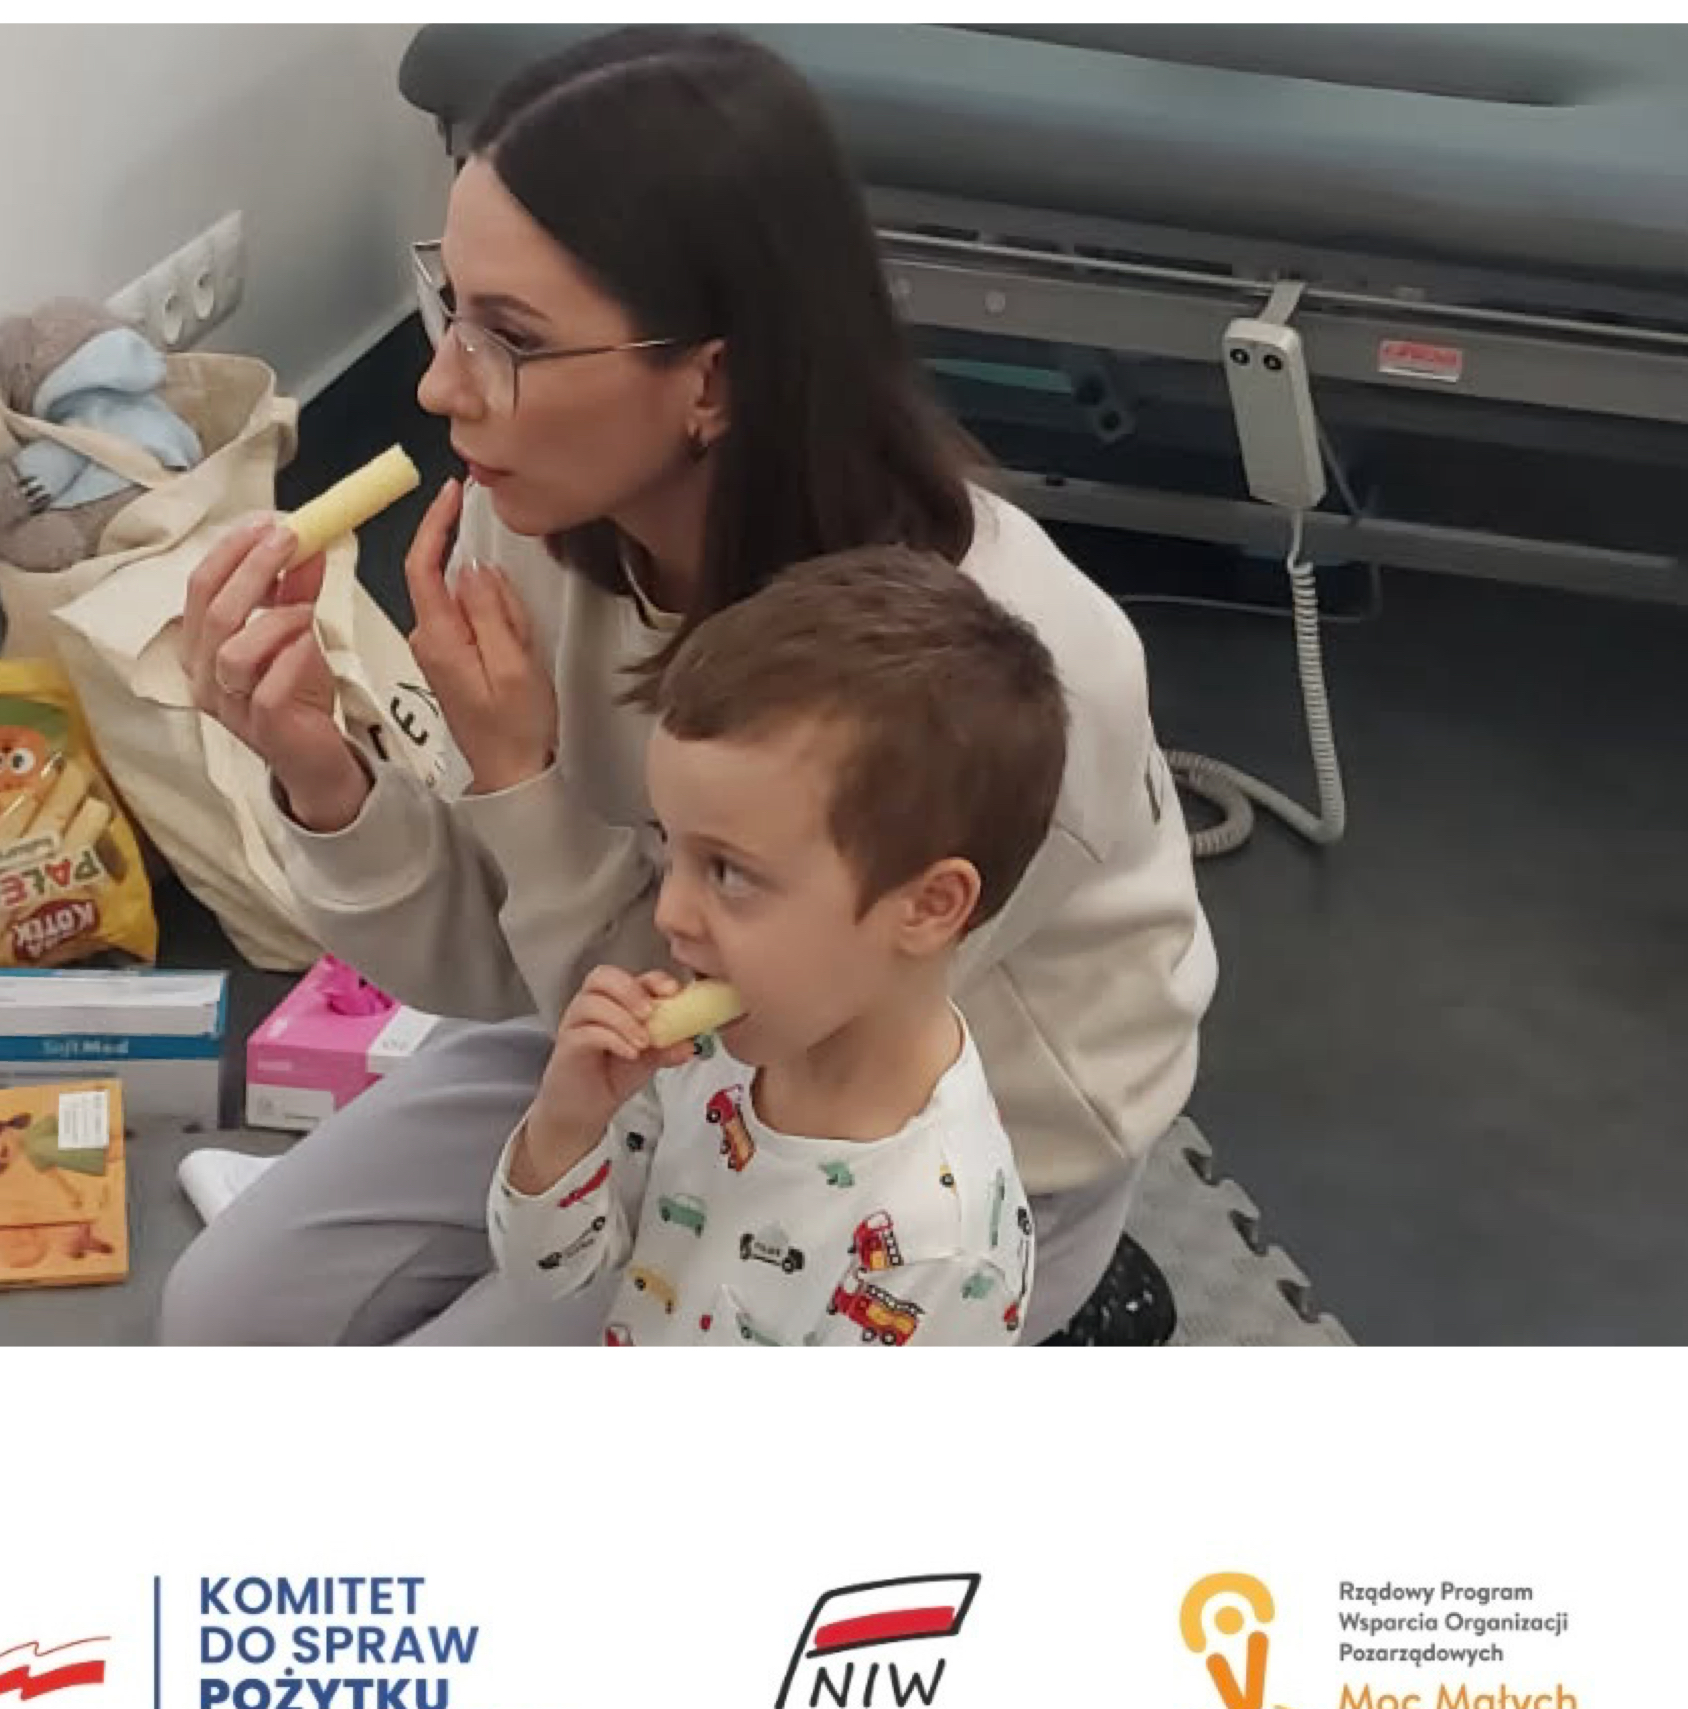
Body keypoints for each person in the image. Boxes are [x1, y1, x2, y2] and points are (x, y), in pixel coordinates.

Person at [159, 26, 1216, 1348]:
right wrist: (323, 770)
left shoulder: (1014, 669)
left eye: (511, 338)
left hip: (890, 1141)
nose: (436, 386)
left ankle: (1077, 1301)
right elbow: (499, 962)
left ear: (713, 377)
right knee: (222, 1317)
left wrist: (524, 786)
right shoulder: (526, 521)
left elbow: (733, 1032)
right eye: (451, 306)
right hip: (618, 1015)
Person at [495, 545, 1062, 1346]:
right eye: (671, 848)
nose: (671, 913)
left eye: (728, 872)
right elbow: (551, 1275)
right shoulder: (705, 1057)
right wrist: (566, 1125)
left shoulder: (937, 1248)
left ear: (928, 906)